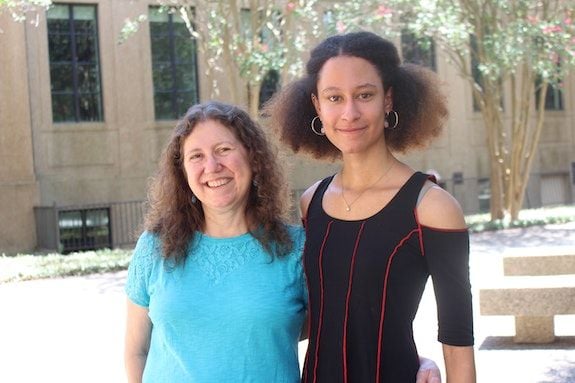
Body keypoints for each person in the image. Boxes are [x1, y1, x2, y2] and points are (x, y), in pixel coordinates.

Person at [123, 100, 443, 382]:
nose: (212, 166)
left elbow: (349, 329)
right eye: (196, 156)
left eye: (224, 150)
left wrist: (415, 362)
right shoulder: (155, 249)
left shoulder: (297, 250)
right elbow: (136, 349)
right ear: (182, 171)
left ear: (252, 158)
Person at [265, 31, 476, 382]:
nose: (350, 112)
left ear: (388, 100)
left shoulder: (432, 207)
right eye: (335, 97)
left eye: (364, 95)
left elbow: (457, 340)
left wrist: (424, 362)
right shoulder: (310, 203)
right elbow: (331, 316)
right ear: (317, 106)